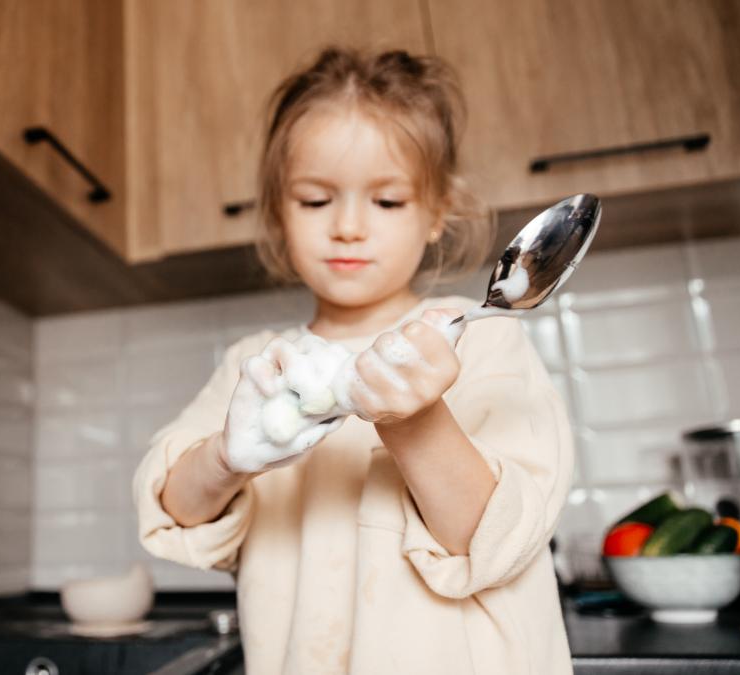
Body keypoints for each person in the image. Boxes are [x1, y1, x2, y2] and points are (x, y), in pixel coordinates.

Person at [132, 47, 574, 674]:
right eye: (315, 200)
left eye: (387, 202)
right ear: (278, 213)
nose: (346, 226)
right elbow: (175, 509)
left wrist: (414, 420)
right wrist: (225, 458)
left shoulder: (480, 341)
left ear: (436, 212)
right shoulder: (255, 367)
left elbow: (497, 541)